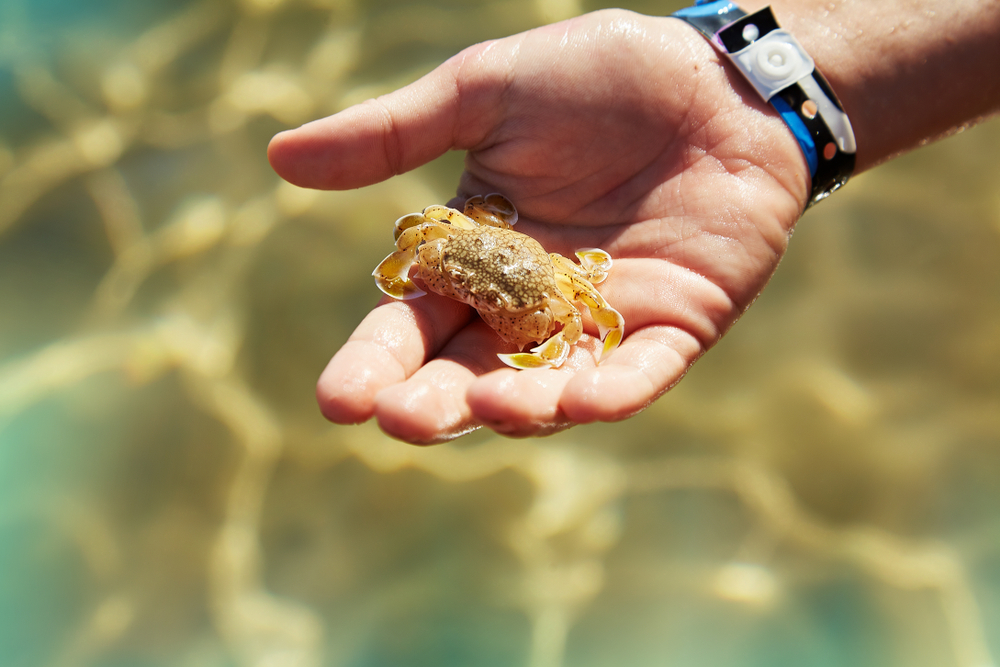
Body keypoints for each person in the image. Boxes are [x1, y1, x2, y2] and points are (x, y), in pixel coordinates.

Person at [267, 0, 1000, 445]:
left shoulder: (567, 291)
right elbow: (419, 238)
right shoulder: (452, 239)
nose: (474, 294)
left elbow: (599, 320)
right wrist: (771, 92)